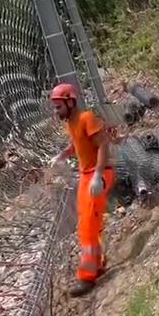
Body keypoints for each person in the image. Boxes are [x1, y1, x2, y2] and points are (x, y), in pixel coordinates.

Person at [46, 82, 114, 297]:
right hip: (86, 176)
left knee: (87, 227)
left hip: (98, 174)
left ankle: (87, 277)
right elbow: (76, 144)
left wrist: (98, 175)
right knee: (86, 222)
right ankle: (98, 262)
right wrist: (62, 155)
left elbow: (103, 144)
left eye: (58, 106)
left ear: (70, 101)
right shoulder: (72, 123)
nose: (56, 111)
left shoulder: (87, 119)